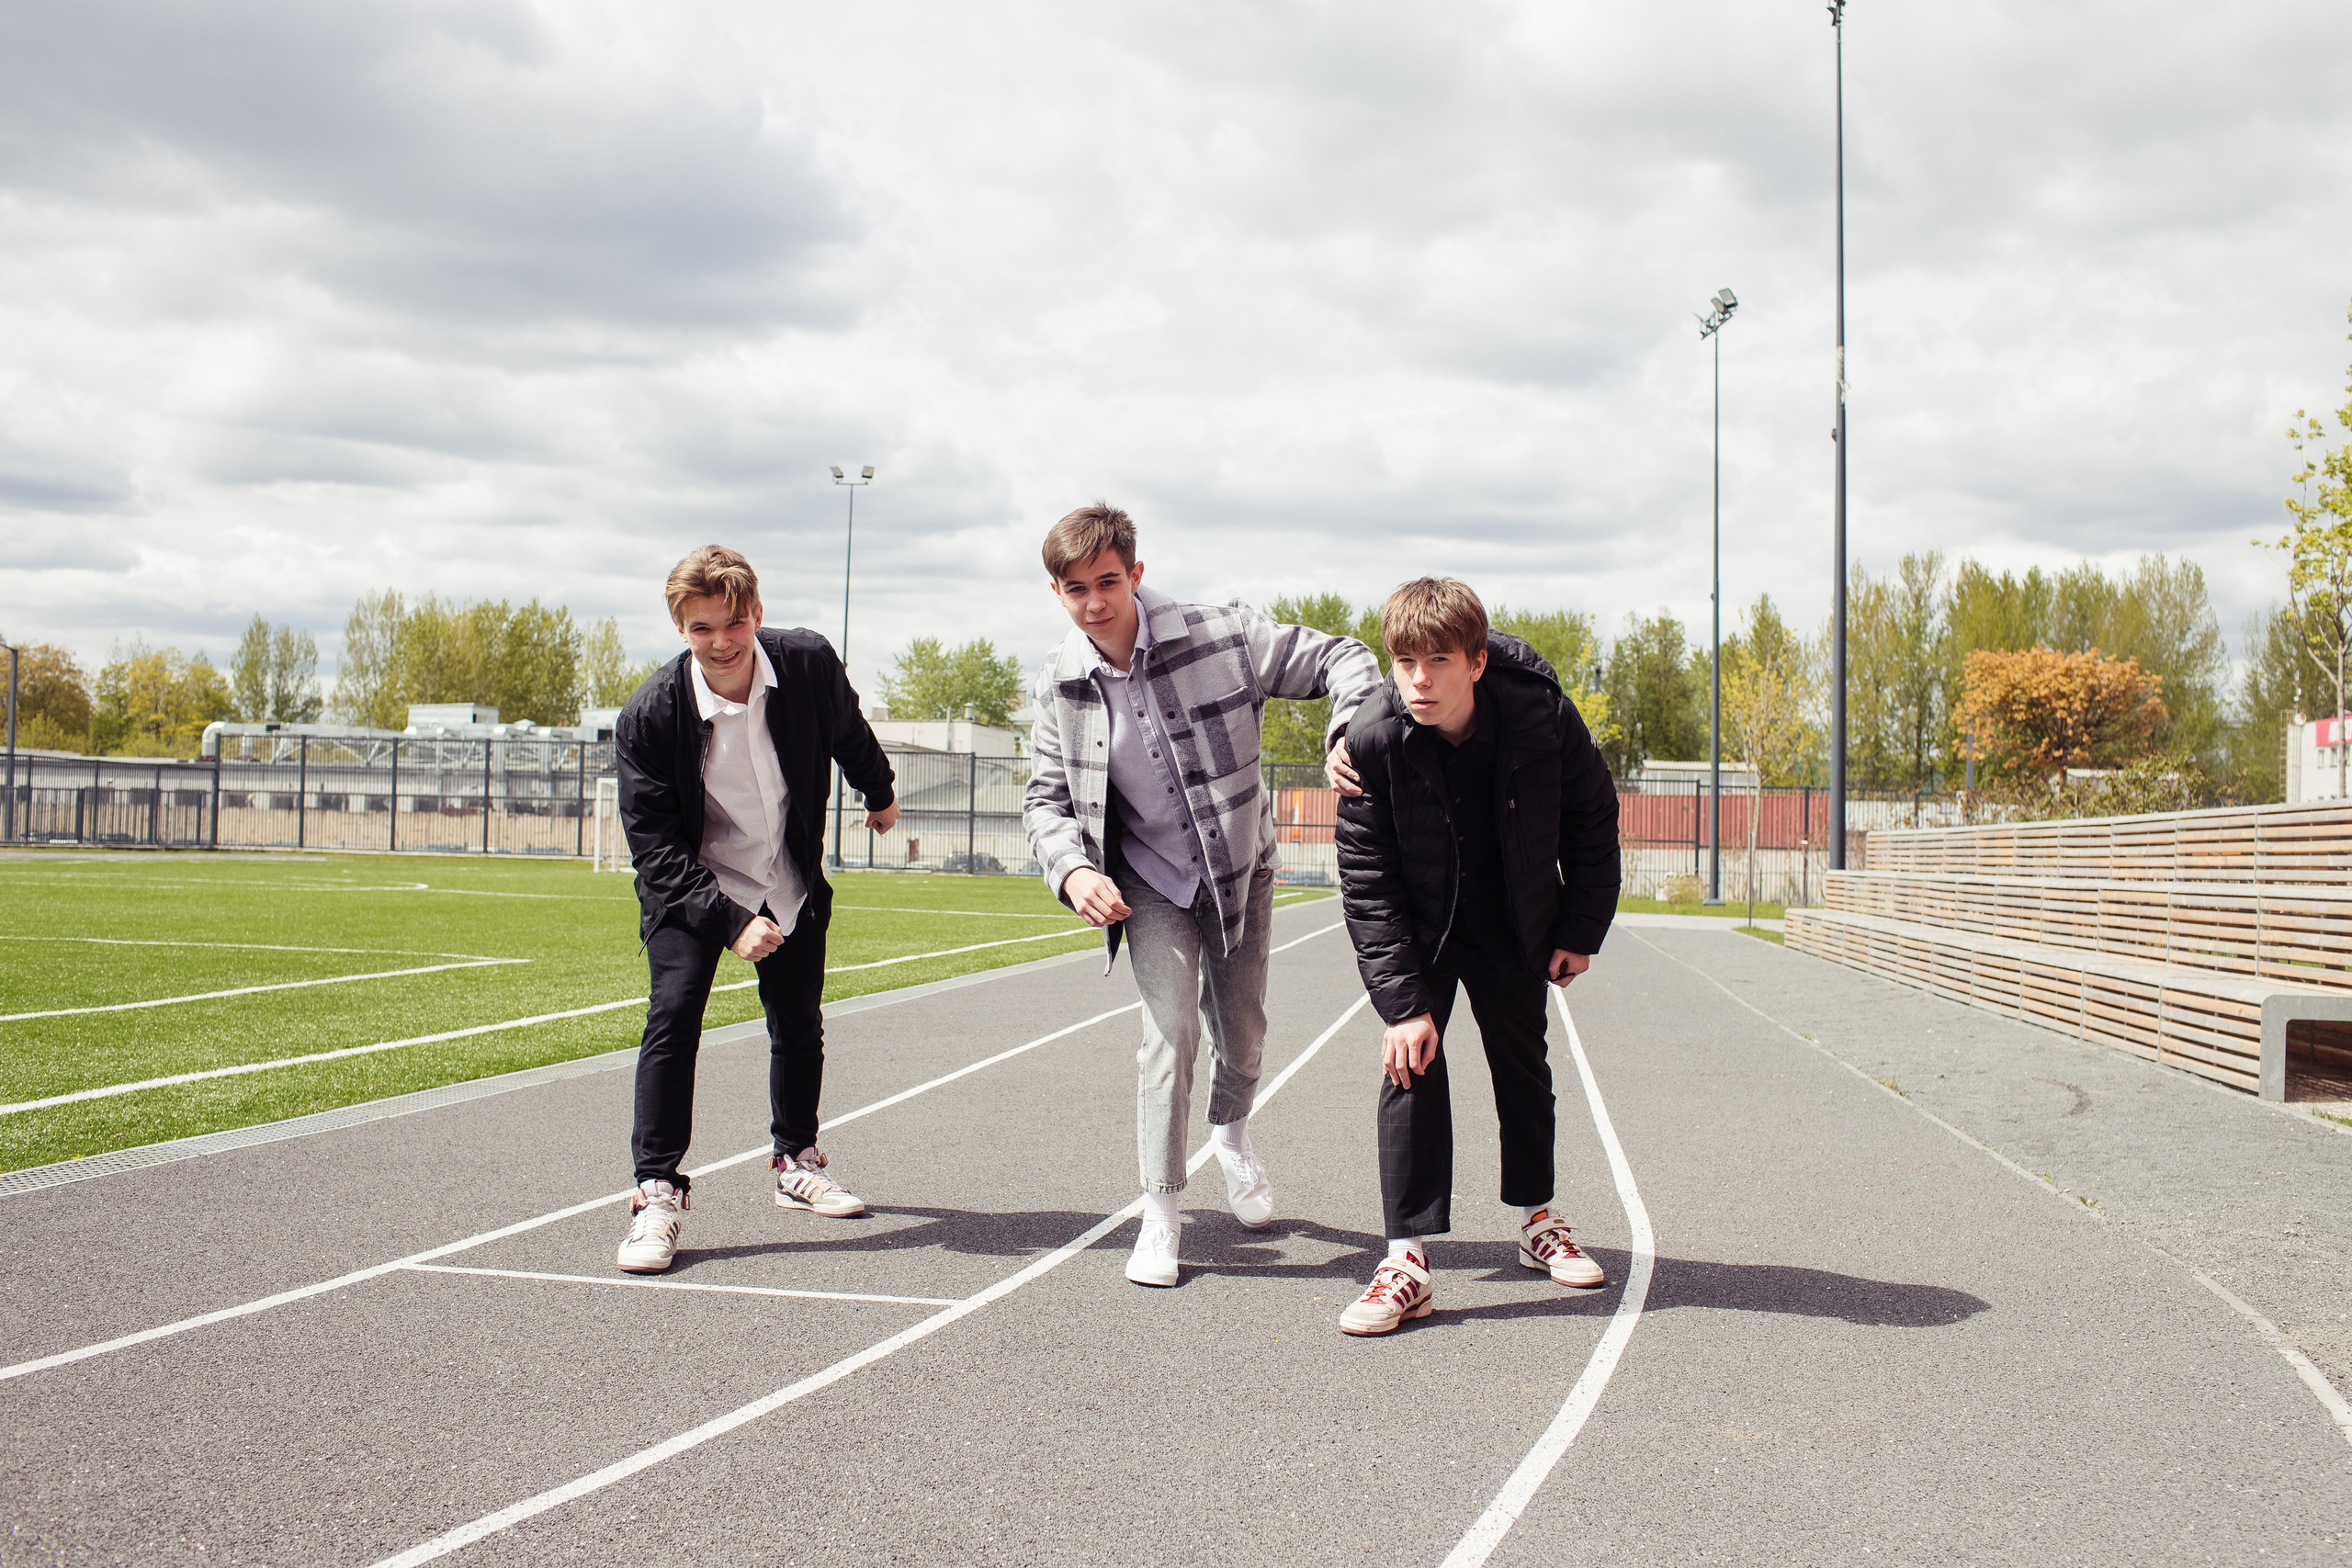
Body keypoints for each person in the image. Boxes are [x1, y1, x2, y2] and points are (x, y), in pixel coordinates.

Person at [1024, 503, 1383, 1287]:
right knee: (1171, 1030)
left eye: (1109, 581)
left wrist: (1348, 731)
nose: (1096, 601)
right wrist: (1074, 870)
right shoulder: (1058, 683)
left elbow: (1345, 657)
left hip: (1238, 869)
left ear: (1136, 574)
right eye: (1076, 588)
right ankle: (1161, 1210)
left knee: (1243, 1030)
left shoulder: (1224, 634)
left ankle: (1232, 1132)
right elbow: (1043, 801)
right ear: (1057, 592)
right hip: (1146, 883)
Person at [1329, 576, 1621, 1335]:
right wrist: (1401, 1003)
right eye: (1404, 662)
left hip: (1513, 917)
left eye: (1438, 660)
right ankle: (1406, 1259)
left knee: (1523, 1064)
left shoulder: (1543, 718)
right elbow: (1366, 880)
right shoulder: (1370, 741)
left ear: (1477, 660)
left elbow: (1593, 818)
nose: (1419, 679)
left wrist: (1579, 928)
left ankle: (1537, 1220)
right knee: (1409, 1063)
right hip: (1422, 926)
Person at [612, 545, 900, 1274]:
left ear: (757, 614)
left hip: (786, 871)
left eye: (733, 623)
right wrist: (729, 919)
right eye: (702, 628)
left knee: (798, 1019)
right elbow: (655, 849)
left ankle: (796, 1159)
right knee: (673, 1016)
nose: (721, 642)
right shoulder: (649, 716)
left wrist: (881, 792)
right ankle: (656, 1192)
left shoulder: (804, 664)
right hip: (692, 884)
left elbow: (849, 733)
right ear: (682, 628)